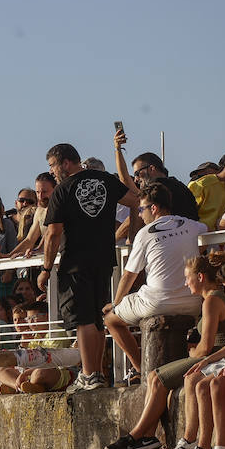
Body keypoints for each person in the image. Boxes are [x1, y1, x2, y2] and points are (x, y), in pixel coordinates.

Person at [105, 254, 225, 449]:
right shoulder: (213, 298)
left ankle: (139, 435)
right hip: (212, 354)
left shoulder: (212, 300)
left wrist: (192, 353)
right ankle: (146, 436)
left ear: (199, 277)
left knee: (158, 378)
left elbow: (206, 347)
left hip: (212, 356)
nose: (185, 282)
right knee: (154, 377)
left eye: (187, 277)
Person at [39, 143, 139, 391]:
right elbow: (135, 200)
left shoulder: (63, 189)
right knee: (96, 319)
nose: (51, 171)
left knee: (82, 319)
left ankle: (89, 373)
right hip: (104, 259)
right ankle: (95, 373)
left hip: (75, 262)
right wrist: (132, 232)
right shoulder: (104, 179)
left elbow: (53, 233)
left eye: (52, 165)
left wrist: (46, 267)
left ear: (65, 163)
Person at [102, 182, 208, 383]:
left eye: (141, 209)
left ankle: (140, 368)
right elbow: (207, 230)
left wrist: (115, 304)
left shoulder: (145, 233)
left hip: (157, 303)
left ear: (154, 208)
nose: (140, 215)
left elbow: (128, 276)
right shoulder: (192, 225)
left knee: (110, 320)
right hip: (194, 302)